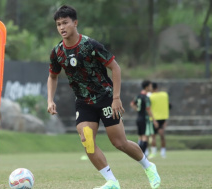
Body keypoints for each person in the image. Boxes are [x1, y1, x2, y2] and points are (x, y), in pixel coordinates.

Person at [47, 5, 160, 189]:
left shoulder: (91, 45)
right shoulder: (57, 52)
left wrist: (116, 98)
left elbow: (115, 68)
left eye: (65, 23)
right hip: (83, 102)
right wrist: (50, 100)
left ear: (75, 23)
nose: (61, 27)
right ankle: (112, 182)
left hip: (105, 98)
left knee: (119, 142)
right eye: (58, 24)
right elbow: (52, 77)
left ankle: (149, 167)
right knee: (87, 141)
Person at [130, 80, 159, 155]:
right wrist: (154, 120)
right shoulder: (146, 98)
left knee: (140, 137)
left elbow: (132, 104)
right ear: (146, 87)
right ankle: (141, 155)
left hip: (139, 118)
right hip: (145, 119)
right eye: (150, 86)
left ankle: (138, 154)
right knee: (145, 137)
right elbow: (148, 109)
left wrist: (138, 110)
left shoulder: (138, 96)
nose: (151, 87)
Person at [148, 82, 170, 158]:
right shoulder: (165, 94)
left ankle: (155, 152)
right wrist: (166, 119)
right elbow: (167, 106)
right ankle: (161, 152)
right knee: (162, 135)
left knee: (153, 136)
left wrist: (154, 120)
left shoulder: (150, 96)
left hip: (154, 119)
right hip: (162, 118)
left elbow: (149, 108)